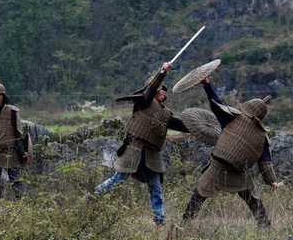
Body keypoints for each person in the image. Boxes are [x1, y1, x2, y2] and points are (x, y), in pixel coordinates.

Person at [88, 62, 189, 226]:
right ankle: (88, 199)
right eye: (161, 88)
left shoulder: (166, 114)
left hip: (151, 155)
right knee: (117, 180)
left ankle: (159, 220)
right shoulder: (144, 102)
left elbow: (182, 125)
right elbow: (151, 88)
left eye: (164, 89)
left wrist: (201, 127)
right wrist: (162, 71)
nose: (164, 91)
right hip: (134, 149)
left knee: (155, 188)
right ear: (154, 90)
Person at [181, 77, 279, 226]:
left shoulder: (232, 117)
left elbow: (216, 103)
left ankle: (184, 224)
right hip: (236, 171)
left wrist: (207, 84)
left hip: (219, 168)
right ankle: (265, 224)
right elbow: (264, 161)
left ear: (247, 107)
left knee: (198, 195)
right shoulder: (261, 136)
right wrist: (272, 181)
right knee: (252, 200)